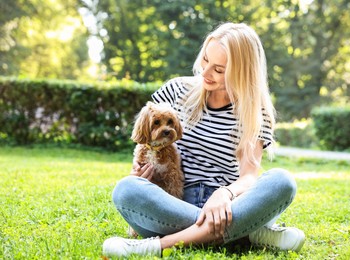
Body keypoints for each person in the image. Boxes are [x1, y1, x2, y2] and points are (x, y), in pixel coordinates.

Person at [103, 22, 305, 257]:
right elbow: (146, 140)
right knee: (126, 189)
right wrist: (138, 175)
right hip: (174, 202)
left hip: (229, 207)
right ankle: (247, 233)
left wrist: (224, 194)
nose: (205, 73)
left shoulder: (254, 112)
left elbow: (249, 176)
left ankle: (156, 246)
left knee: (282, 181)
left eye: (219, 70)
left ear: (241, 72)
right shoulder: (175, 91)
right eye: (206, 60)